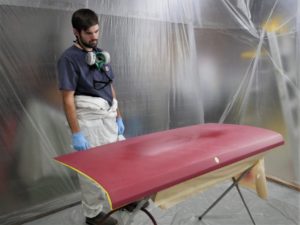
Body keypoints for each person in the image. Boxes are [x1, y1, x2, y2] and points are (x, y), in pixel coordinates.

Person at [57, 8, 124, 225]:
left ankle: (120, 199)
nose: (94, 37)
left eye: (96, 32)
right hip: (89, 122)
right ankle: (93, 214)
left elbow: (109, 86)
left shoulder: (100, 54)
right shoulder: (68, 59)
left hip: (108, 117)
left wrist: (118, 115)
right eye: (89, 33)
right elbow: (67, 99)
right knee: (92, 171)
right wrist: (77, 133)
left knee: (116, 162)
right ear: (76, 32)